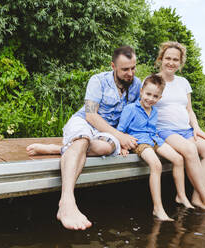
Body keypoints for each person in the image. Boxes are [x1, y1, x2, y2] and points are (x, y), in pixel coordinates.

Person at [26, 46, 142, 230]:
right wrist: (119, 136)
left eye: (133, 68)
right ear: (113, 66)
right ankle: (66, 202)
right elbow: (91, 116)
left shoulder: (137, 85)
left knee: (106, 149)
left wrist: (124, 139)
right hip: (85, 122)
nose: (130, 73)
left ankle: (57, 149)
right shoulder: (97, 81)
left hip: (107, 132)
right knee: (83, 140)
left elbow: (134, 114)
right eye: (125, 69)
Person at [154, 41, 205, 214]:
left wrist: (196, 127)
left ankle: (197, 198)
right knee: (189, 150)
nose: (171, 63)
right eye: (168, 58)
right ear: (161, 59)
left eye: (175, 59)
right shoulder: (153, 80)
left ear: (180, 63)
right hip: (164, 130)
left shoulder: (183, 82)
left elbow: (189, 109)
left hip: (186, 130)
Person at [117, 74, 189, 221]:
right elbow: (120, 130)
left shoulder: (155, 111)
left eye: (155, 96)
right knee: (156, 165)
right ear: (141, 91)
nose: (150, 98)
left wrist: (160, 142)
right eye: (148, 94)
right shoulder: (130, 109)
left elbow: (153, 130)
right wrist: (122, 146)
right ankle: (158, 208)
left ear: (160, 98)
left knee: (179, 158)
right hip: (139, 142)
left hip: (154, 139)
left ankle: (181, 196)